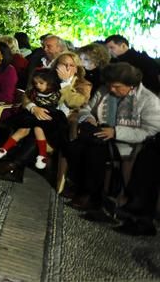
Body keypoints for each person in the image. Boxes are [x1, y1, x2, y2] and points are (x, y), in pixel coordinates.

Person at [65, 63, 160, 212]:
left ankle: (90, 195)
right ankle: (80, 187)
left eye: (117, 86)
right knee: (75, 147)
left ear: (131, 85)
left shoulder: (148, 100)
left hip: (127, 142)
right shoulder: (104, 90)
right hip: (99, 132)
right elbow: (87, 109)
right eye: (110, 85)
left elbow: (150, 130)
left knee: (96, 152)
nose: (111, 89)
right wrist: (88, 117)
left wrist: (116, 132)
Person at [0, 68, 63, 170]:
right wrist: (32, 106)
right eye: (36, 83)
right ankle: (4, 149)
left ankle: (42, 156)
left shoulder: (56, 93)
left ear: (50, 83)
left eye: (41, 83)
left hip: (46, 117)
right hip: (31, 115)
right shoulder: (33, 92)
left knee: (38, 129)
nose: (38, 85)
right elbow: (25, 98)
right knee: (23, 129)